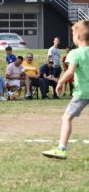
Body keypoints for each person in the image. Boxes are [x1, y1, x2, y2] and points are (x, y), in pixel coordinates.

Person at [42, 20, 89, 160]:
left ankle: (61, 149)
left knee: (67, 117)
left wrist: (60, 82)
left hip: (82, 93)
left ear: (78, 36)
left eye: (73, 34)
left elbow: (70, 72)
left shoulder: (75, 53)